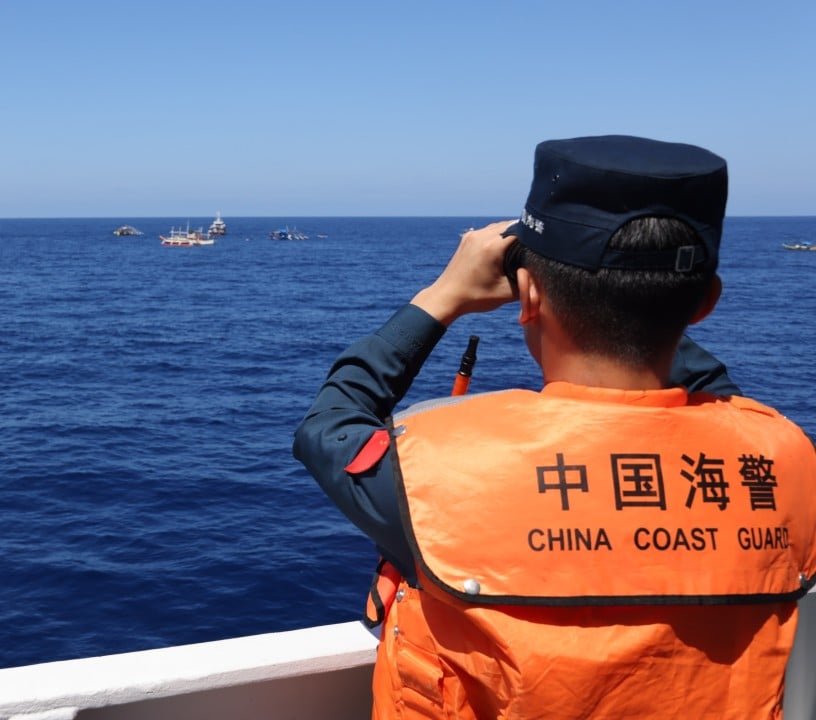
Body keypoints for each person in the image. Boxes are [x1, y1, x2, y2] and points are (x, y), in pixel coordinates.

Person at [294, 135, 816, 719]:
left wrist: (442, 297)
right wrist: (648, 301)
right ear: (705, 304)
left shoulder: (435, 478)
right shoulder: (786, 465)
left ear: (528, 296)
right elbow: (720, 398)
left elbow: (328, 425)